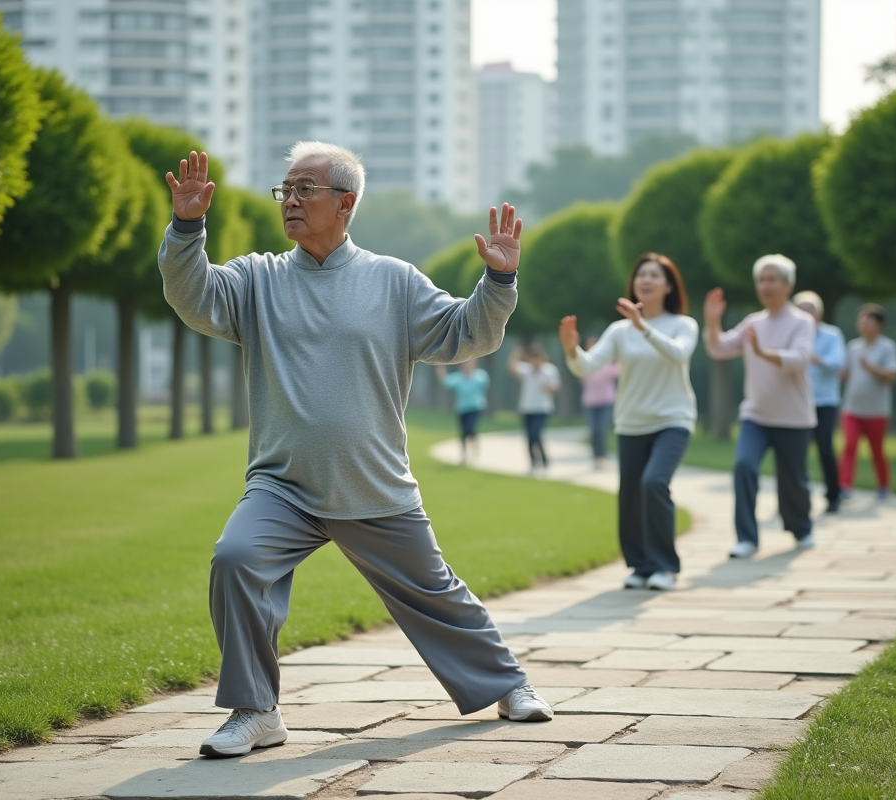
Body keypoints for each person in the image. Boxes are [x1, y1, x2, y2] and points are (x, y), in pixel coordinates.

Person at [160, 143, 553, 759]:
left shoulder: (392, 280)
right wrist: (187, 229)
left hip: (374, 486)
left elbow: (465, 332)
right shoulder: (256, 277)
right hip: (282, 486)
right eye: (285, 190)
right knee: (235, 559)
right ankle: (256, 710)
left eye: (304, 189)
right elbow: (195, 298)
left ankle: (509, 684)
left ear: (345, 203)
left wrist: (498, 280)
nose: (289, 201)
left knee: (437, 594)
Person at [560, 254, 698, 591]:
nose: (646, 280)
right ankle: (640, 565)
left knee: (653, 483)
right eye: (641, 275)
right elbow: (588, 367)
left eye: (655, 275)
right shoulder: (619, 331)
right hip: (632, 422)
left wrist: (644, 328)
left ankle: (665, 566)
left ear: (668, 286)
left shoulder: (683, 325)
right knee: (631, 497)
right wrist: (571, 349)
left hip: (673, 419)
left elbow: (679, 353)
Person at [703, 255, 816, 559]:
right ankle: (747, 538)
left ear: (788, 285)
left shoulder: (802, 322)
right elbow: (719, 348)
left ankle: (801, 528)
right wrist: (713, 321)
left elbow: (799, 360)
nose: (765, 286)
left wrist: (764, 353)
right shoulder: (753, 323)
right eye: (761, 280)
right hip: (756, 416)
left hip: (793, 418)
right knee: (744, 466)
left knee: (793, 481)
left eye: (771, 279)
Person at [839, 303, 896, 500]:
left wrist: (871, 367)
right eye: (861, 321)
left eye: (869, 321)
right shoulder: (853, 347)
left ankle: (884, 486)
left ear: (879, 325)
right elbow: (845, 375)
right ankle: (844, 486)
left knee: (877, 451)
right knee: (849, 447)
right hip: (852, 409)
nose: (863, 325)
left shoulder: (887, 347)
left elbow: (892, 375)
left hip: (877, 411)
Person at [793, 291, 846, 514]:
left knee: (825, 448)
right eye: (801, 309)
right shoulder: (792, 334)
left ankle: (833, 495)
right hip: (797, 400)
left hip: (824, 401)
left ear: (819, 312)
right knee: (795, 451)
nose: (806, 313)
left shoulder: (832, 335)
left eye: (809, 309)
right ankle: (795, 497)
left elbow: (837, 363)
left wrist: (813, 357)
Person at [507, 344, 560, 474]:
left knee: (536, 434)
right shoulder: (527, 370)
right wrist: (515, 354)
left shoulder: (550, 371)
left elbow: (555, 389)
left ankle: (544, 460)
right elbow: (512, 368)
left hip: (542, 408)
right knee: (530, 437)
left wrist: (547, 387)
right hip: (527, 408)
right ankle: (533, 463)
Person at [436, 360, 490, 465]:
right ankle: (464, 453)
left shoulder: (480, 376)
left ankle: (474, 446)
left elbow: (485, 385)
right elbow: (445, 381)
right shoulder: (458, 378)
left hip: (475, 407)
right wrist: (440, 368)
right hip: (461, 408)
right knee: (463, 432)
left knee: (470, 429)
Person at [578, 336, 619, 470]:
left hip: (606, 400)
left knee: (601, 429)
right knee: (594, 431)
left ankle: (601, 456)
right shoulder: (584, 364)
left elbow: (616, 371)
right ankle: (596, 456)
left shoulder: (608, 361)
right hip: (590, 401)